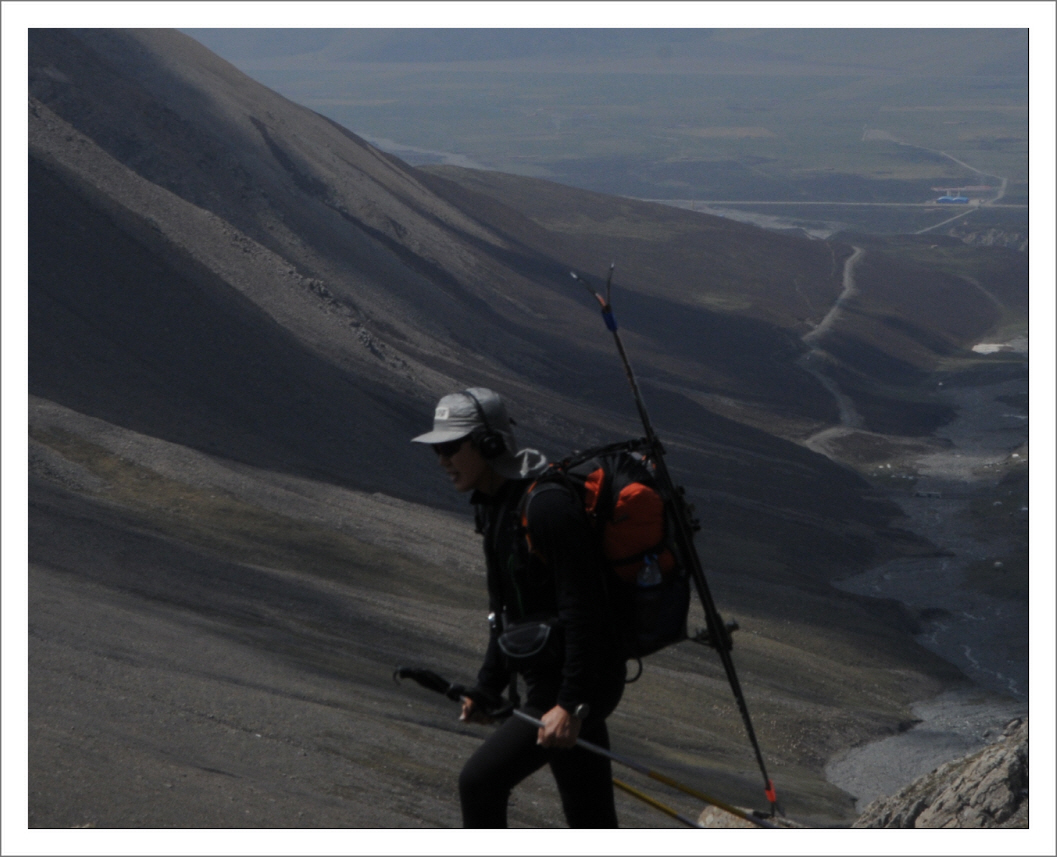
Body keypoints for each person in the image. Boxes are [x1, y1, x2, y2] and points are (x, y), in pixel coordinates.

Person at [412, 387, 628, 828]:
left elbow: (584, 607)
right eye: (437, 449)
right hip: (558, 680)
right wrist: (487, 687)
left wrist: (571, 704)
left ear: (489, 444)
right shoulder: (495, 506)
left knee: (479, 783)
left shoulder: (546, 506)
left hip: (576, 683)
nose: (442, 460)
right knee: (590, 818)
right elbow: (504, 611)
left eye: (451, 448)